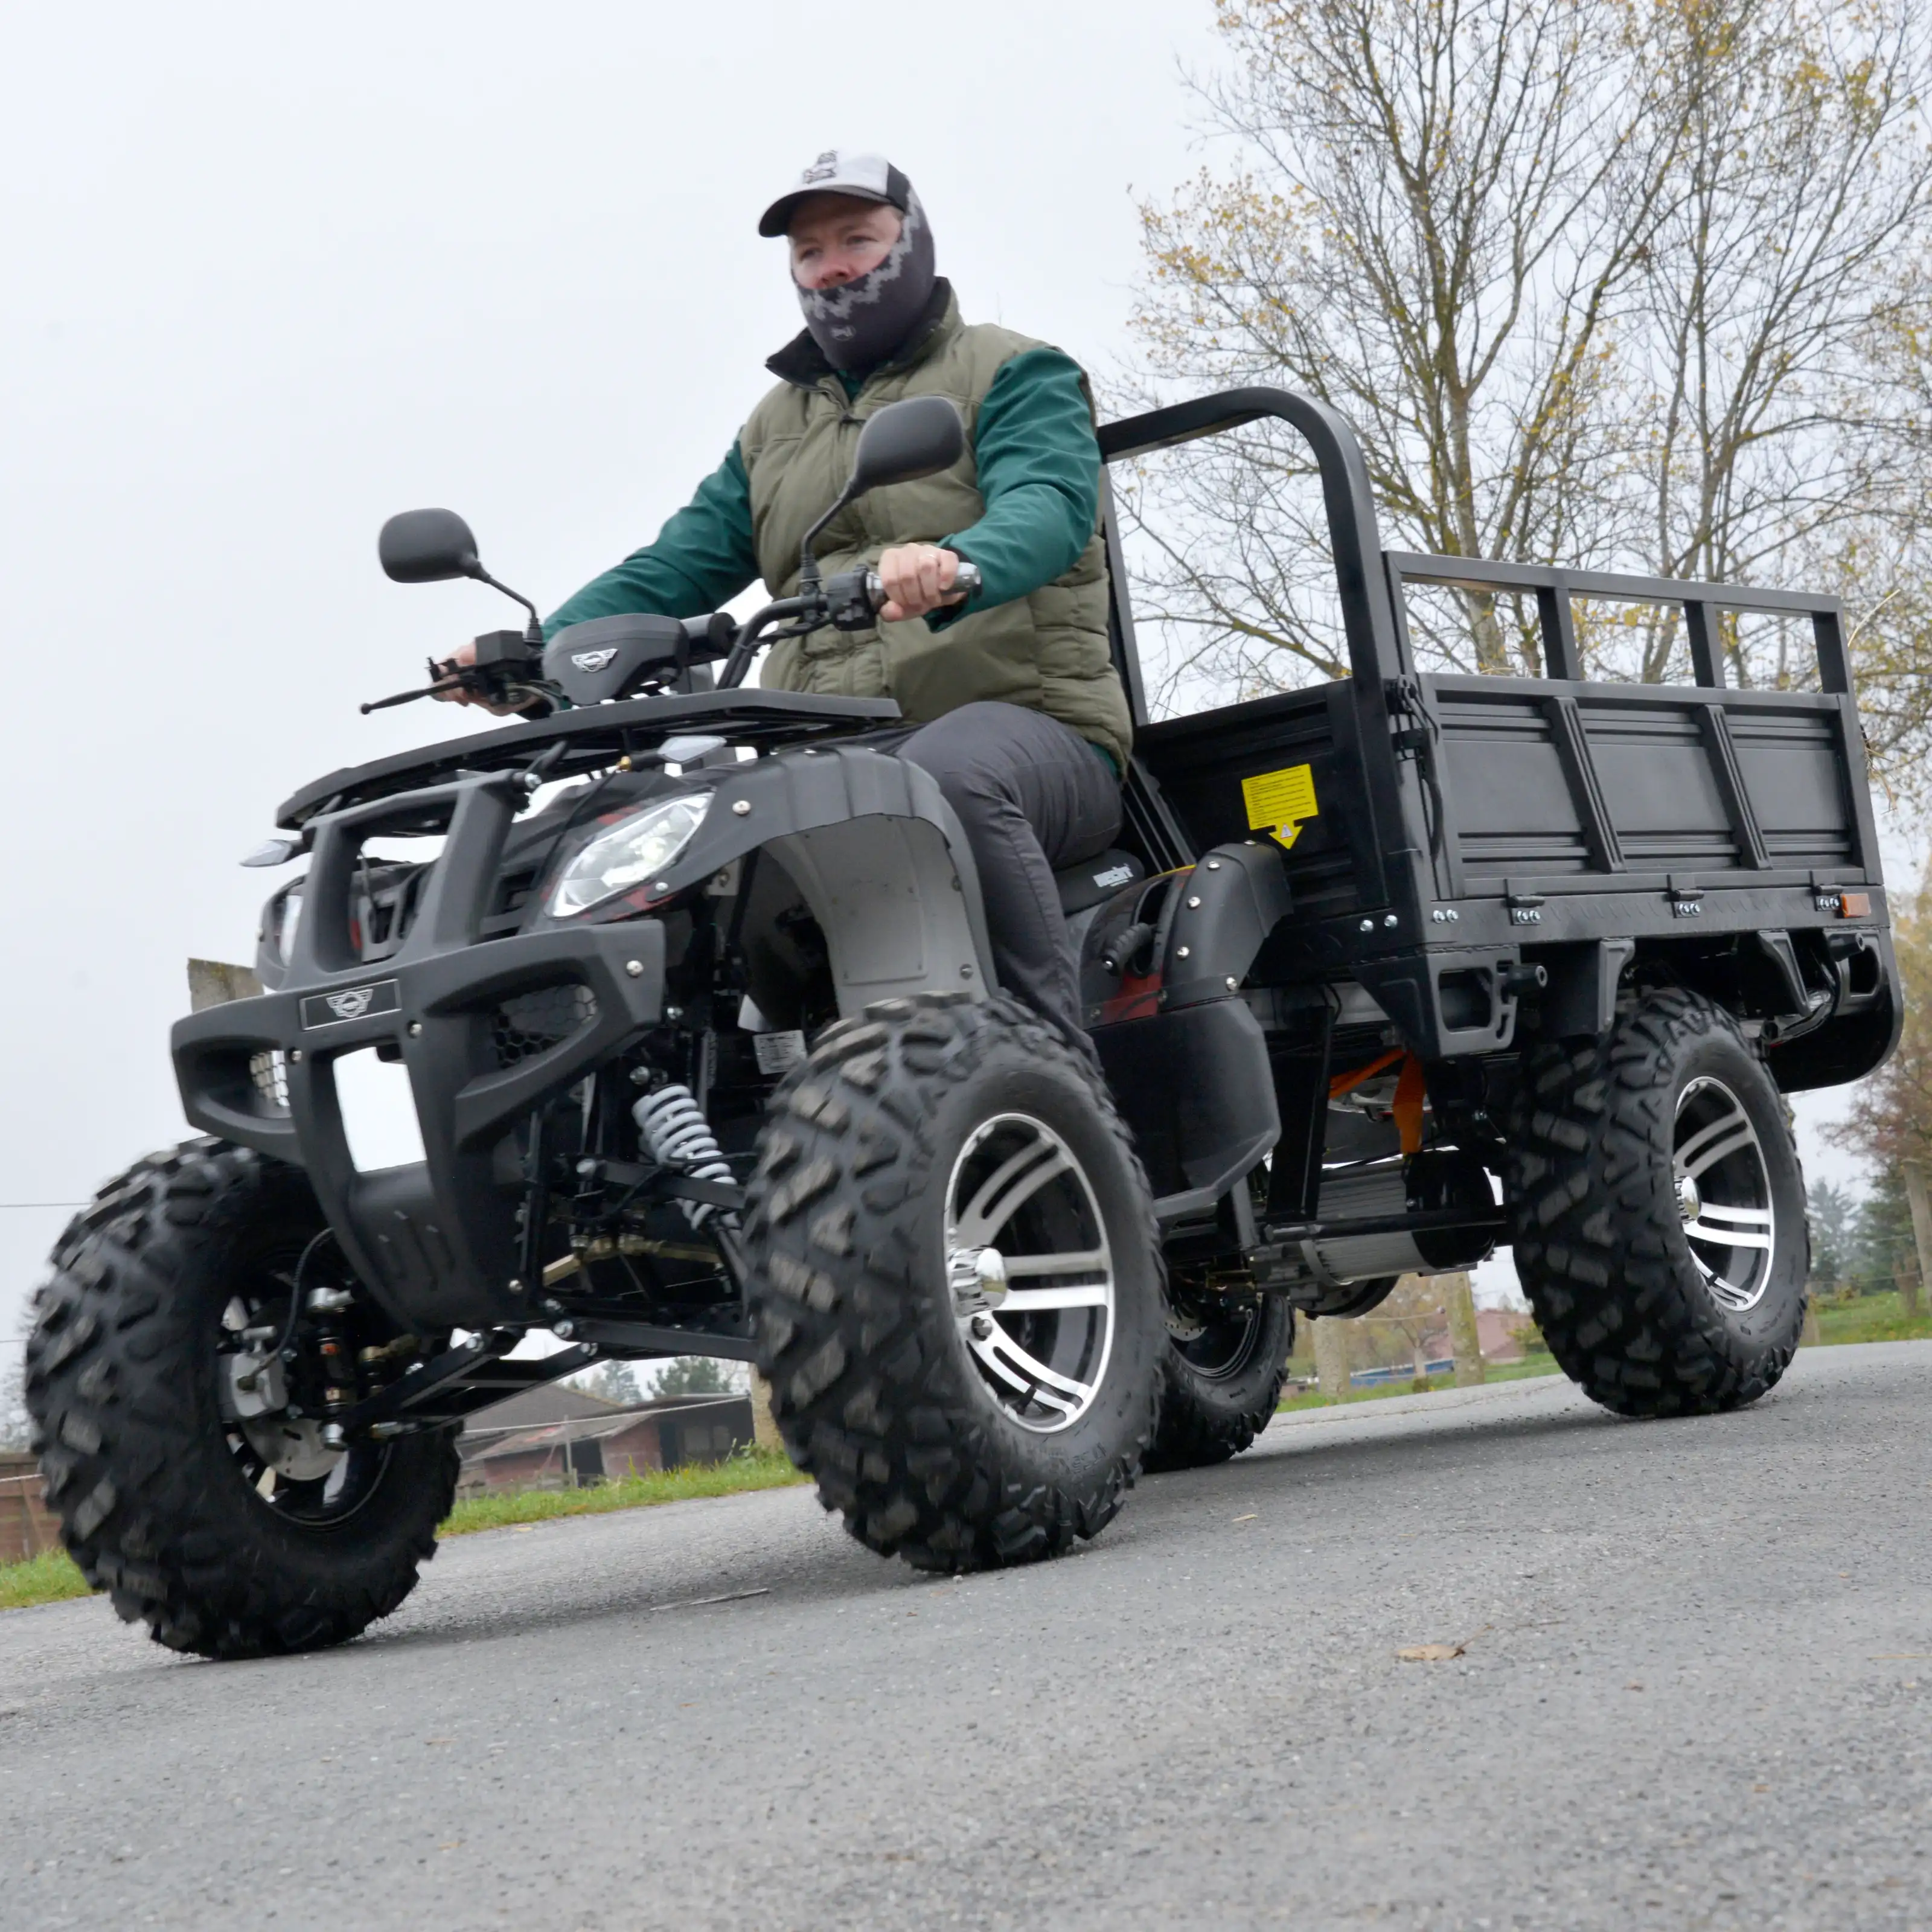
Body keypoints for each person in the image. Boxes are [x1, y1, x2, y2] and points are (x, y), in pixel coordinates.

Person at [449, 151, 1132, 1054]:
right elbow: (678, 563)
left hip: (1029, 731)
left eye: (858, 239)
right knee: (642, 824)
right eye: (811, 253)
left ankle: (1051, 1071)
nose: (834, 267)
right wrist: (538, 653)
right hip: (831, 751)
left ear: (914, 243)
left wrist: (957, 563)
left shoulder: (1016, 370)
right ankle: (674, 1091)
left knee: (946, 781)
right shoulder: (775, 428)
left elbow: (1047, 507)